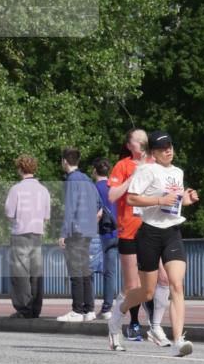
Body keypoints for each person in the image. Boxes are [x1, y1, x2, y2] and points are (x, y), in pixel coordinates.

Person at [106, 132, 197, 355]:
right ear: (154, 153)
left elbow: (173, 204)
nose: (168, 150)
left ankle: (178, 340)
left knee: (176, 285)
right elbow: (131, 198)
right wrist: (159, 200)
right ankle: (119, 311)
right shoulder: (146, 170)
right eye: (163, 147)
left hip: (172, 231)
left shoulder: (177, 172)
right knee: (147, 292)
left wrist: (185, 201)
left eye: (170, 146)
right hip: (149, 232)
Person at [107, 129, 158, 340]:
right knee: (133, 285)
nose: (142, 142)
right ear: (129, 146)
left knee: (160, 280)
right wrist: (131, 179)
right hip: (129, 229)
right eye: (138, 140)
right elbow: (112, 196)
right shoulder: (122, 165)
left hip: (154, 228)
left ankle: (155, 325)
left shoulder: (155, 164)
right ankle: (133, 322)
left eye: (144, 139)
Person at [4, 155, 51, 318]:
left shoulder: (16, 189)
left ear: (20, 169)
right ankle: (35, 309)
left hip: (20, 233)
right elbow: (46, 216)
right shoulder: (44, 190)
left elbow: (9, 213)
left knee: (20, 273)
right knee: (36, 273)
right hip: (37, 233)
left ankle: (24, 309)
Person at [57, 148, 100, 322]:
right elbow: (99, 203)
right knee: (85, 270)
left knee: (75, 270)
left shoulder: (71, 180)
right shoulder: (88, 180)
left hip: (76, 231)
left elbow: (70, 208)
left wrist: (63, 233)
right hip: (89, 230)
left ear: (64, 161)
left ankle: (77, 310)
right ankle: (89, 310)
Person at [92, 158, 119, 319]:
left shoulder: (94, 188)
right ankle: (107, 308)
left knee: (89, 269)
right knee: (110, 272)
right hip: (118, 232)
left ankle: (87, 308)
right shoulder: (115, 186)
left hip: (102, 233)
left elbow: (95, 213)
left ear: (94, 171)